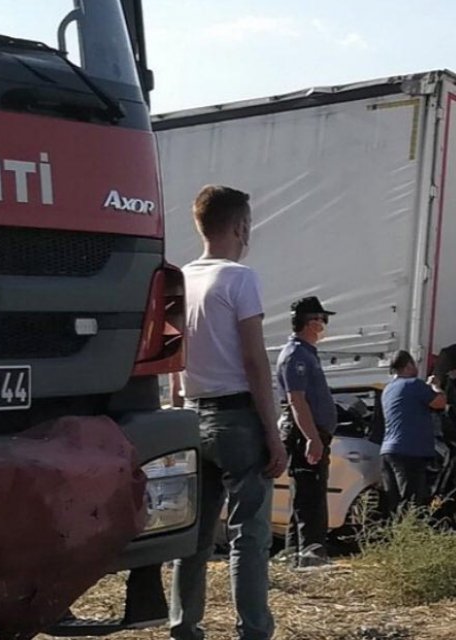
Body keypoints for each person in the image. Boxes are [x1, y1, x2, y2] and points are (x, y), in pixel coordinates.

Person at [170, 185, 283, 640]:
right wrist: (273, 435)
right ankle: (253, 630)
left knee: (192, 536)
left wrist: (177, 410)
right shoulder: (239, 278)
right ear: (240, 226)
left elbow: (173, 357)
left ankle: (185, 626)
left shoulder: (180, 278)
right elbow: (255, 362)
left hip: (192, 413)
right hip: (237, 416)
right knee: (249, 536)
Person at [276, 296, 338, 567]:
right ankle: (311, 552)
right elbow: (296, 399)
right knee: (309, 493)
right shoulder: (296, 355)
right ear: (311, 322)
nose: (324, 326)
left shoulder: (306, 354)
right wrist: (312, 437)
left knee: (307, 491)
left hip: (312, 431)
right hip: (304, 433)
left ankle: (295, 552)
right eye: (322, 320)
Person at [380, 350, 447, 512]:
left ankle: (397, 534)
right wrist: (435, 386)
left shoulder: (387, 390)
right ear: (409, 365)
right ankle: (410, 533)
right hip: (410, 452)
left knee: (395, 503)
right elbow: (440, 403)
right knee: (411, 504)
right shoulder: (414, 384)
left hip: (388, 451)